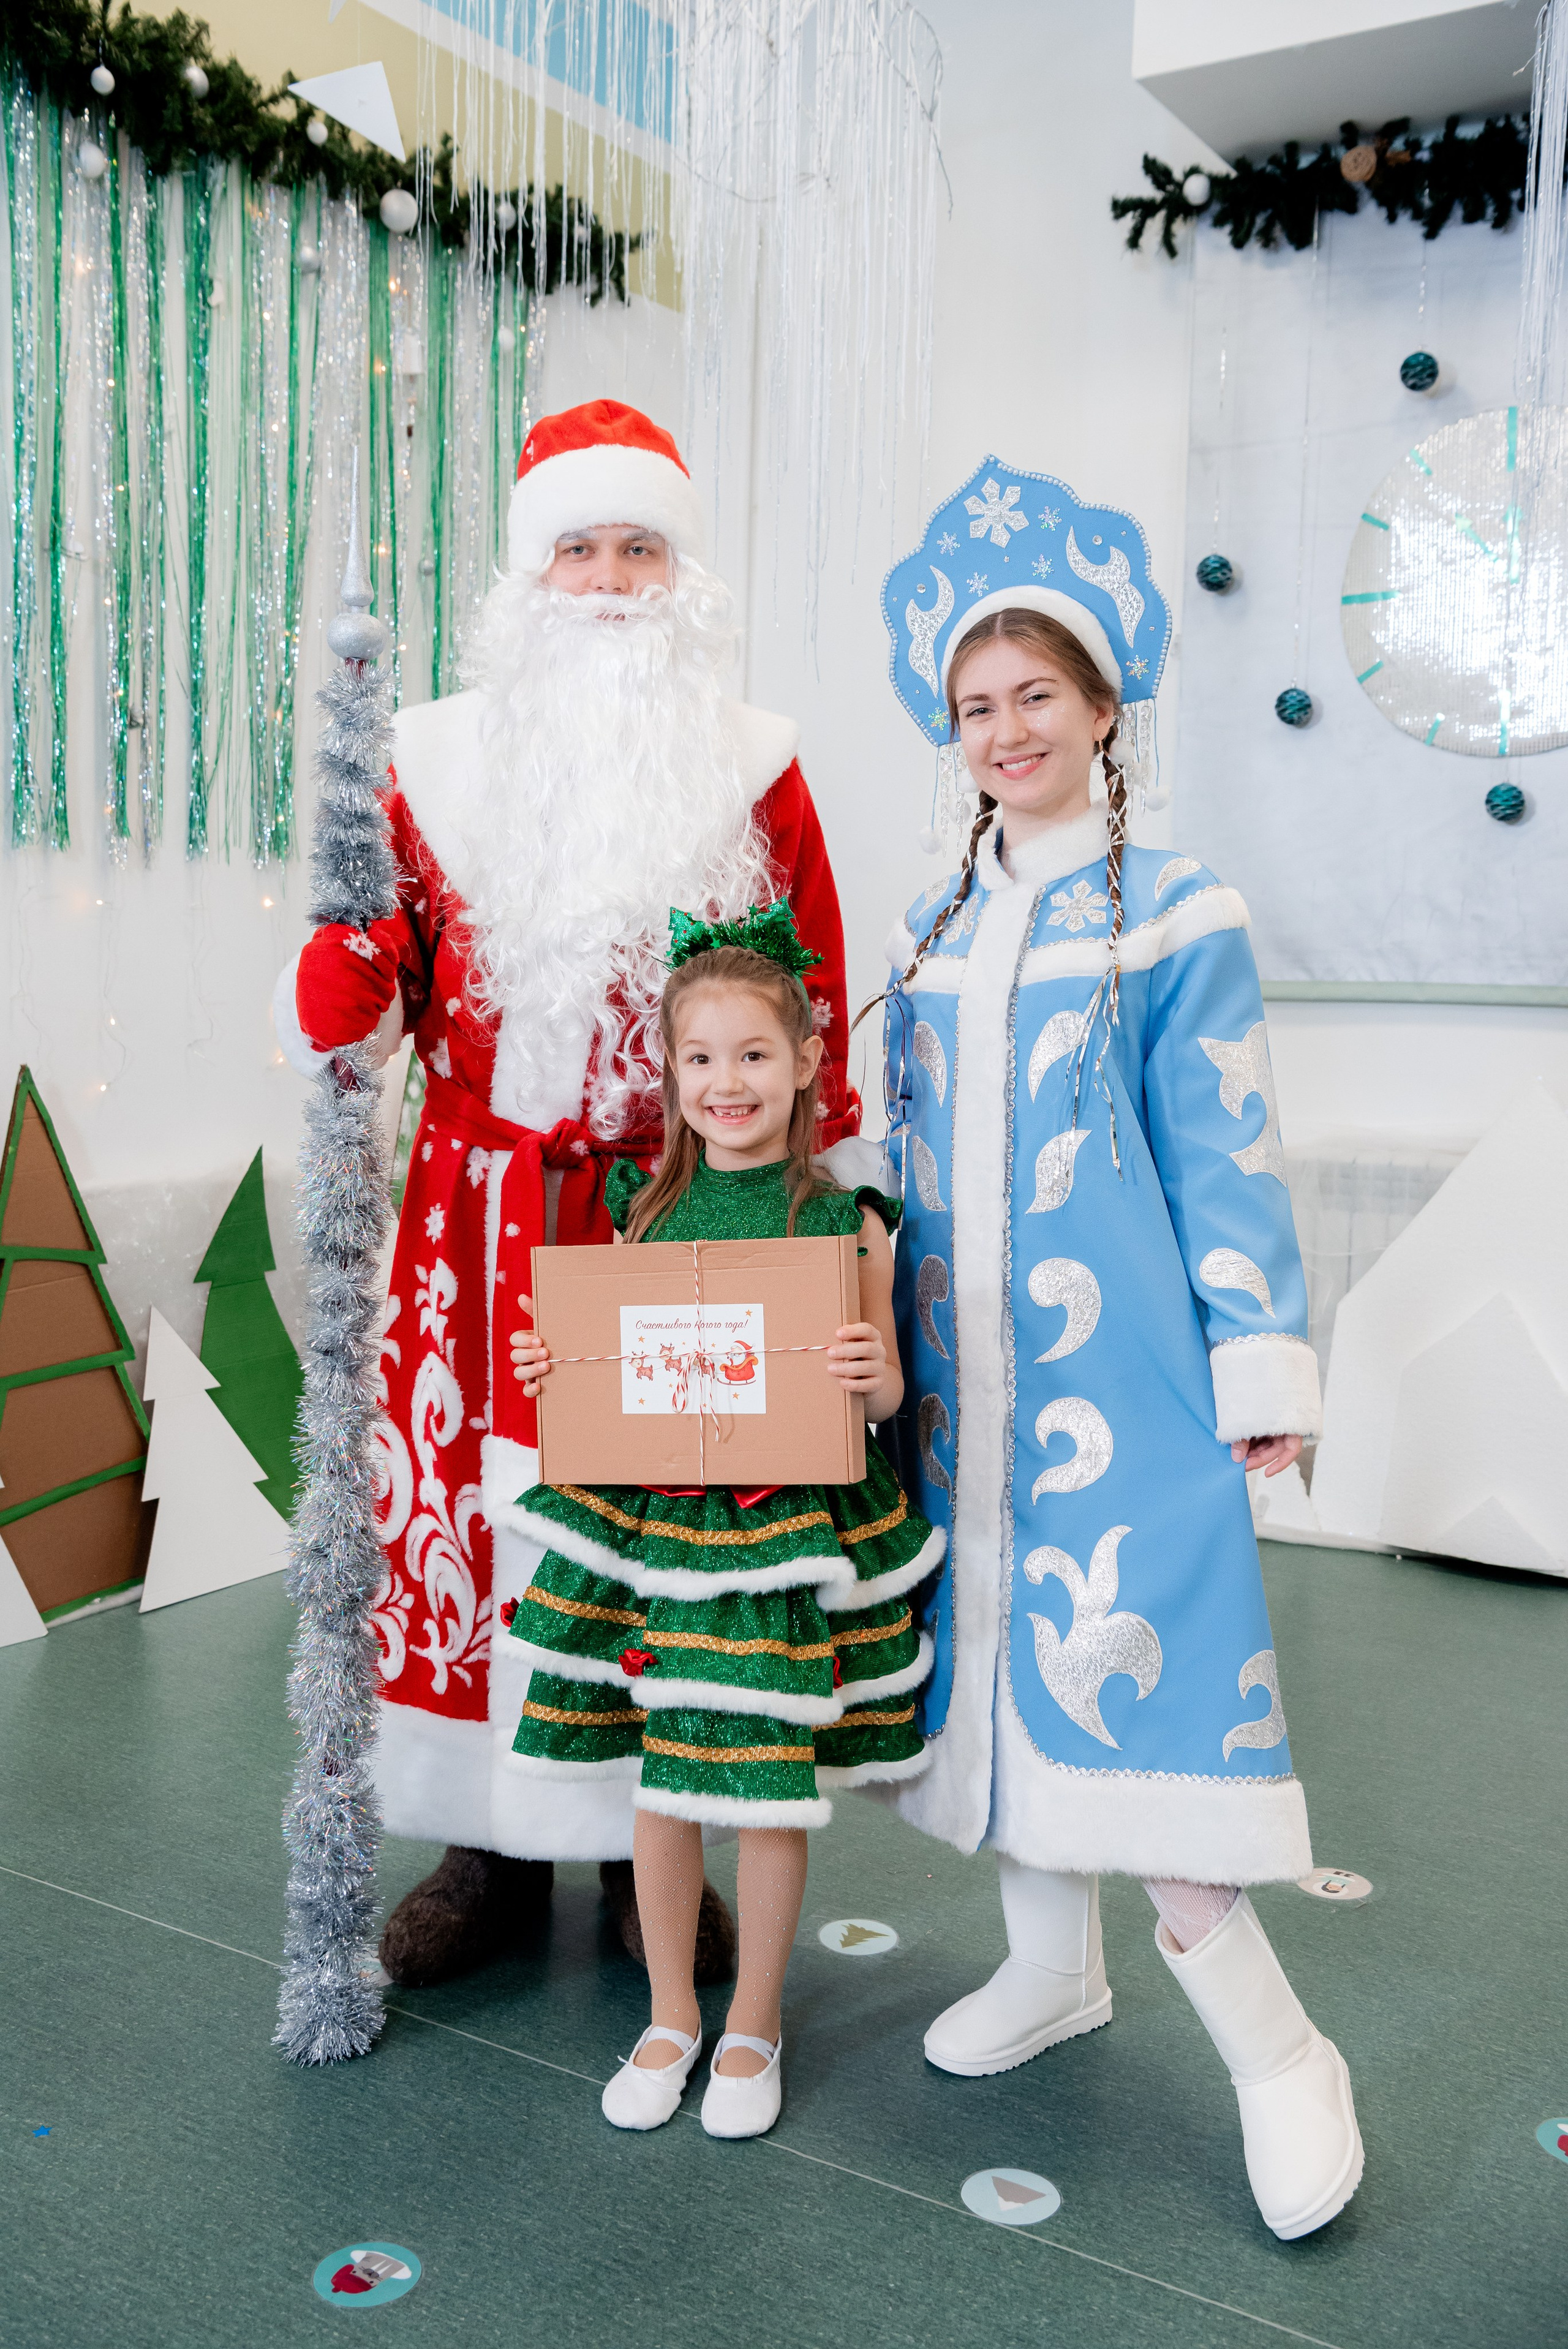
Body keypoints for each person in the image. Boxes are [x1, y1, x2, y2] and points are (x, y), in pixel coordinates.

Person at [277, 401, 861, 1989]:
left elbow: (811, 998)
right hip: (474, 1218)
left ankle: (637, 1850)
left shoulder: (754, 768)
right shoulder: (430, 760)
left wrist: (811, 1202)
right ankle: (485, 1849)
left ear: (683, 573)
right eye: (580, 549)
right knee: (473, 1517)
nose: (609, 582)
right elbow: (379, 967)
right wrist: (342, 983)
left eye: (639, 549)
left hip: (672, 1207)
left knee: (656, 1526)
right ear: (531, 576)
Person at [878, 481, 1362, 2242]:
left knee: (1139, 1696)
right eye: (977, 706)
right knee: (1002, 1691)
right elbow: (898, 1153)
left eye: (1037, 698)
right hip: (962, 1392)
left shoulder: (1175, 907)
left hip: (1126, 1386)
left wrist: (1263, 1363)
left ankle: (1281, 2050)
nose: (1007, 732)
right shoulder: (931, 930)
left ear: (1101, 710)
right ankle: (1049, 1972)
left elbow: (1227, 1142)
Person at [507, 905, 940, 2138]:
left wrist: (870, 1374)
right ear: (671, 1073)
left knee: (759, 1775)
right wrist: (559, 1375)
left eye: (752, 1053)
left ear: (805, 1061)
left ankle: (753, 2017)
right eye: (699, 1059)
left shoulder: (838, 1219)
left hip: (778, 1537)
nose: (725, 1081)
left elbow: (890, 1392)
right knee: (663, 1776)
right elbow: (604, 1376)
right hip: (662, 1537)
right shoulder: (643, 1216)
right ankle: (667, 2013)